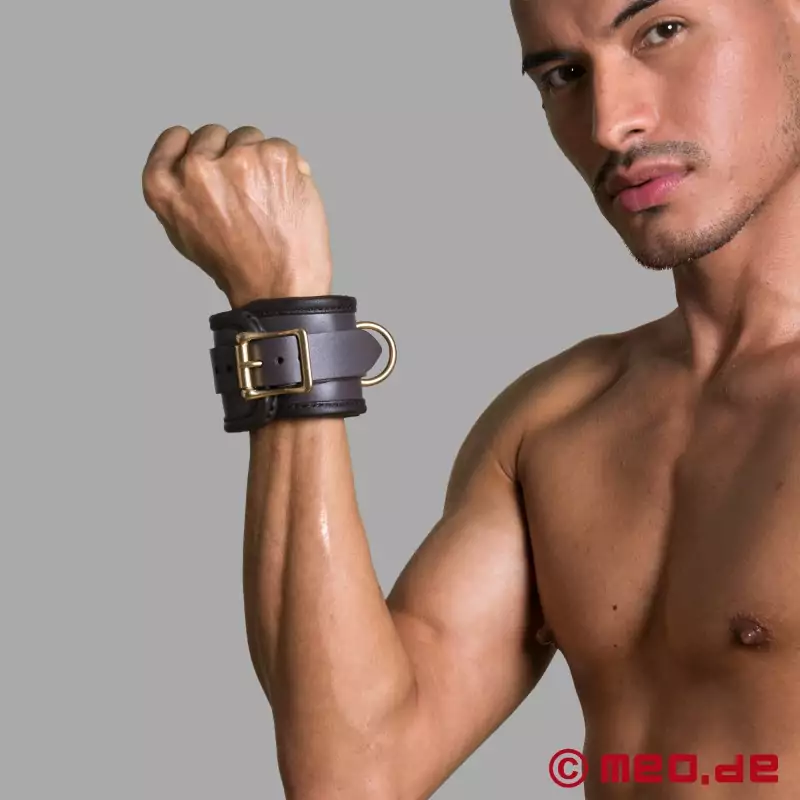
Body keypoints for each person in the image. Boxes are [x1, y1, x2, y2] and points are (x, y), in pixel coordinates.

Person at [141, 0, 800, 796]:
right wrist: (282, 314)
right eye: (563, 75)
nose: (609, 123)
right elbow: (355, 773)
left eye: (660, 32)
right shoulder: (557, 423)